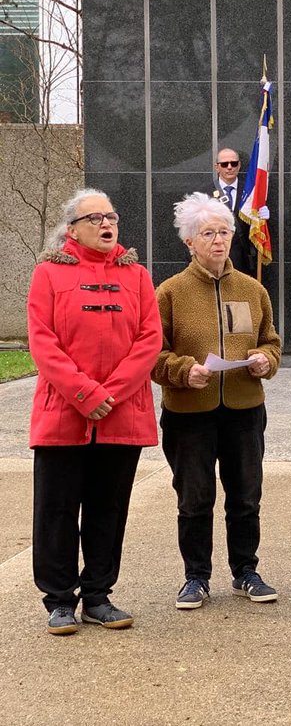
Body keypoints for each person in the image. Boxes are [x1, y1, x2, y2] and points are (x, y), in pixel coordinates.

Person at [26, 189, 163, 635]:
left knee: (108, 508)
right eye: (97, 218)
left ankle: (99, 596)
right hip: (63, 413)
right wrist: (85, 393)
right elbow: (42, 342)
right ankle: (59, 600)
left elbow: (149, 339)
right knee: (57, 509)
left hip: (120, 415)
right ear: (73, 229)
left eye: (113, 216)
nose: (108, 224)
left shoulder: (138, 276)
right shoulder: (47, 274)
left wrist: (114, 392)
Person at [153, 192, 283, 611]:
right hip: (189, 413)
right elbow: (153, 355)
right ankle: (196, 577)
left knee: (246, 495)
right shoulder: (169, 292)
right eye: (207, 233)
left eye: (224, 232)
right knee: (194, 498)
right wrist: (181, 370)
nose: (218, 240)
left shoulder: (251, 288)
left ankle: (246, 571)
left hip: (245, 409)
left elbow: (271, 342)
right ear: (189, 241)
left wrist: (267, 360)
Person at [209, 149, 256, 275]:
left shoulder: (250, 192)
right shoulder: (205, 193)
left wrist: (260, 218)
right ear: (217, 167)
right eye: (224, 164)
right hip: (214, 260)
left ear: (239, 165)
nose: (229, 167)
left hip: (243, 263)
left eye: (233, 163)